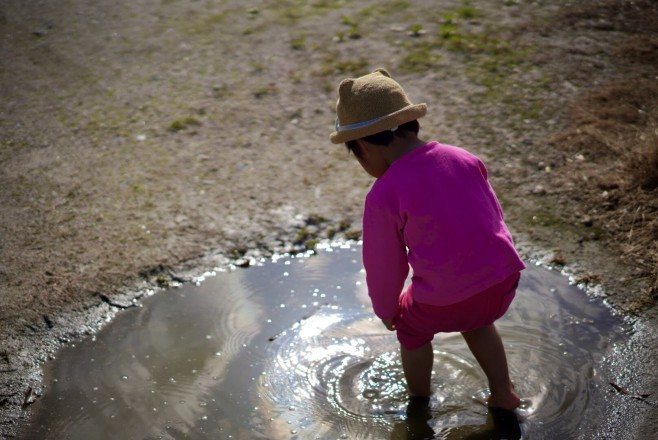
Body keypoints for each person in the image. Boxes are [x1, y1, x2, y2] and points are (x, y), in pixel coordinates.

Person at [329, 68, 525, 411]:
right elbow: (491, 219)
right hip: (502, 280)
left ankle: (419, 402)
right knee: (478, 322)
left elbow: (384, 265)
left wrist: (387, 309)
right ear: (410, 123)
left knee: (410, 328)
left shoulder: (385, 193)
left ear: (361, 146)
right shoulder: (464, 158)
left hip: (448, 298)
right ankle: (504, 394)